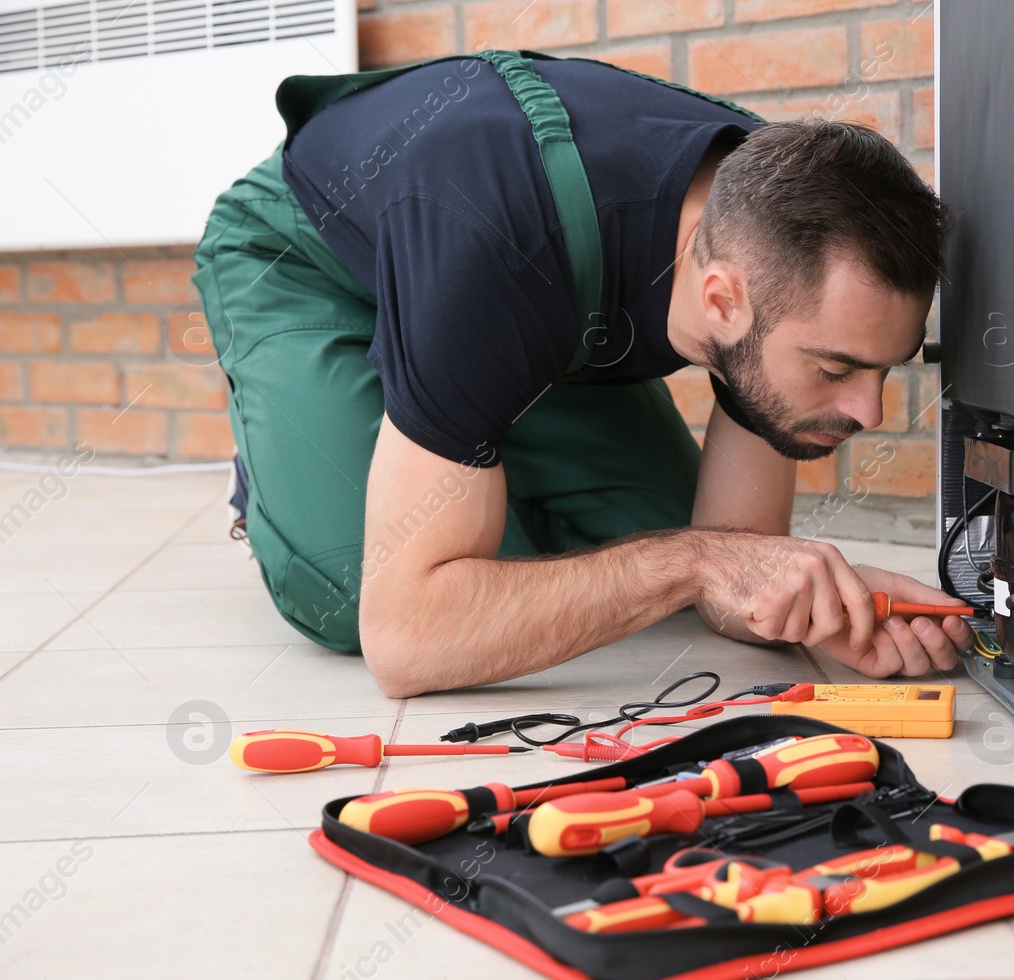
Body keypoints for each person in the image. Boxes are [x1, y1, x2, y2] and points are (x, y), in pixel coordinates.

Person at [192, 50, 971, 698]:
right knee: (357, 592)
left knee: (659, 529)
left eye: (882, 370)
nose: (868, 410)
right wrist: (695, 560)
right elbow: (403, 642)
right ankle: (308, 453)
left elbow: (741, 555)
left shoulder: (774, 224)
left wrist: (828, 604)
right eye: (837, 368)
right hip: (314, 260)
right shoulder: (492, 250)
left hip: (515, 304)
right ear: (721, 300)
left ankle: (458, 412)